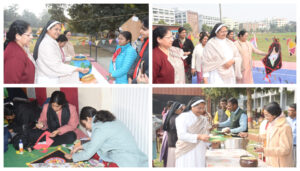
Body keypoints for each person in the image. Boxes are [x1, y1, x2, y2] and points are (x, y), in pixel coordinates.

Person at [65, 108, 148, 167]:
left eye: (84, 124)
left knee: (95, 154)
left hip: (126, 160)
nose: (86, 128)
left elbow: (88, 154)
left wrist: (73, 157)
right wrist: (81, 146)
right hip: (133, 154)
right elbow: (97, 142)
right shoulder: (106, 121)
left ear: (88, 119)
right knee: (96, 152)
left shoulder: (100, 129)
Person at [239, 102, 294, 167]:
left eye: (267, 115)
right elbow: (261, 137)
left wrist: (265, 150)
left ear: (274, 115)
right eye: (264, 115)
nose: (265, 118)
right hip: (271, 163)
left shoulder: (285, 127)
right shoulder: (272, 125)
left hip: (281, 165)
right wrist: (247, 135)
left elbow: (285, 150)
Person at [175, 97, 211, 167]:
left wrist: (211, 142)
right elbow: (181, 135)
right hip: (186, 151)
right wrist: (198, 136)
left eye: (203, 108)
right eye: (199, 108)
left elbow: (206, 135)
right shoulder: (182, 117)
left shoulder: (204, 119)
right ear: (192, 106)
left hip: (200, 150)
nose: (201, 110)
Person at [128, 17, 149, 84]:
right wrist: (130, 76)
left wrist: (134, 81)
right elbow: (138, 60)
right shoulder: (145, 42)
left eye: (144, 29)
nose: (140, 31)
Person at [163, 102, 184, 167]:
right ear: (176, 110)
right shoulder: (177, 118)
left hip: (172, 144)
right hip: (176, 144)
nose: (182, 111)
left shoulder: (171, 117)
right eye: (181, 109)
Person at [160, 101, 174, 167]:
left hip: (172, 135)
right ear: (168, 107)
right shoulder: (166, 115)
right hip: (168, 135)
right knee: (166, 152)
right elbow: (165, 125)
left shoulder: (173, 114)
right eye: (172, 106)